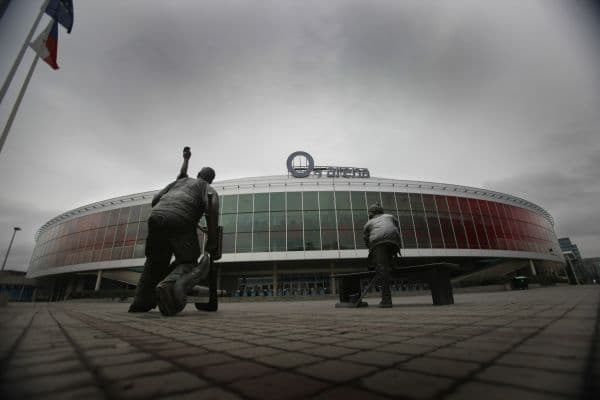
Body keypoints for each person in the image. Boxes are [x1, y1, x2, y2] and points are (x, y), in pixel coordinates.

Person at [129, 147, 219, 315]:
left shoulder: (179, 182)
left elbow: (155, 200)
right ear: (211, 180)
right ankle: (169, 287)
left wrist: (186, 160)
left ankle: (141, 301)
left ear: (198, 173)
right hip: (180, 220)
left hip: (156, 217)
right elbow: (211, 209)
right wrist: (212, 240)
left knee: (155, 262)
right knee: (189, 262)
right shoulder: (207, 188)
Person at [363, 203, 401, 308]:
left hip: (378, 243)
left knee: (382, 270)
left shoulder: (368, 223)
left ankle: (386, 301)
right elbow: (396, 228)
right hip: (393, 241)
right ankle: (392, 263)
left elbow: (366, 239)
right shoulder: (390, 216)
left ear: (371, 213)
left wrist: (370, 249)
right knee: (390, 250)